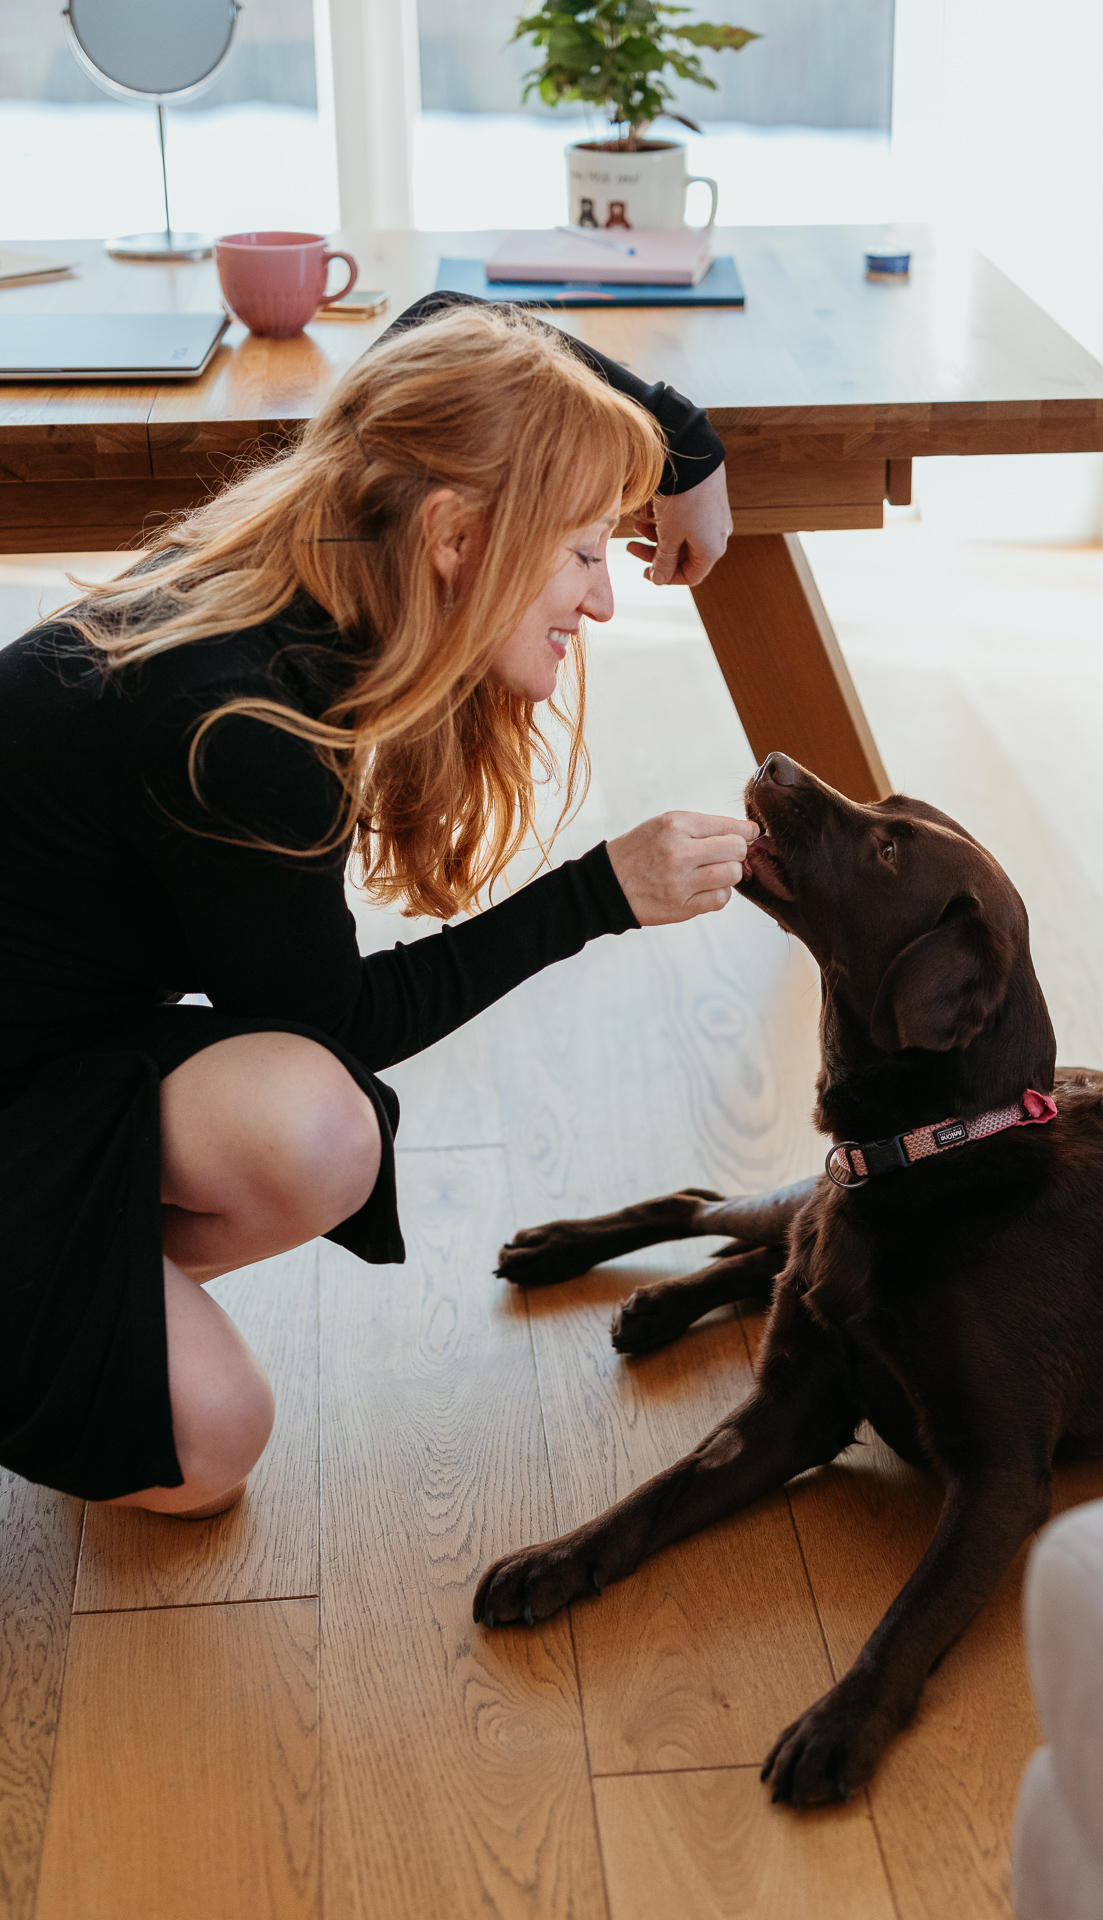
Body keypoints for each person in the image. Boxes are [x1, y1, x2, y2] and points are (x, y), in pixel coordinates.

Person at [0, 296, 753, 1519]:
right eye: (580, 553)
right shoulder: (236, 720)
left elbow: (443, 323)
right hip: (25, 1083)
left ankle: (58, 1297)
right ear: (454, 534)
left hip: (48, 1054)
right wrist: (598, 894)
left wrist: (681, 442)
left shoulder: (316, 562)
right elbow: (333, 1027)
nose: (601, 600)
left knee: (316, 1139)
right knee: (214, 1443)